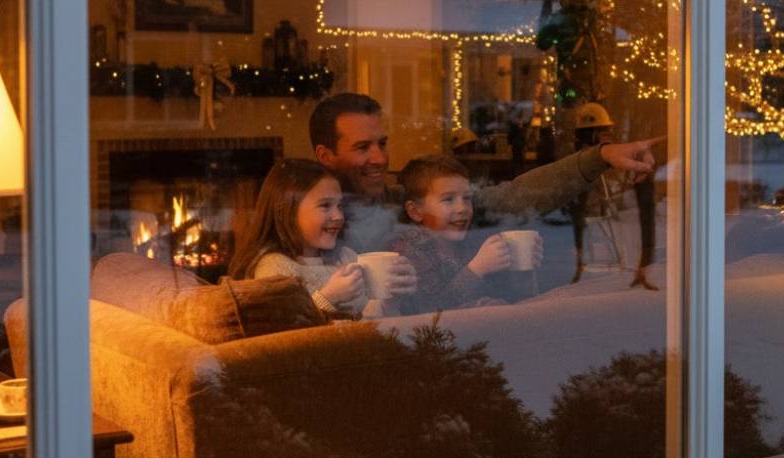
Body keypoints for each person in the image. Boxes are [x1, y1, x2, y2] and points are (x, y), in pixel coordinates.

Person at [309, 93, 660, 255]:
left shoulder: (406, 204)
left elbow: (511, 198)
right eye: (362, 147)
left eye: (382, 144)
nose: (379, 158)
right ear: (325, 155)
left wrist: (600, 156)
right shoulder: (304, 219)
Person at [229, 158, 417, 318]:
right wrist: (328, 298)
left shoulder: (346, 257)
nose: (338, 216)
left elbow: (369, 325)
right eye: (325, 206)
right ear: (287, 211)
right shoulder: (273, 268)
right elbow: (283, 334)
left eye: (340, 206)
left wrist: (390, 299)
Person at [385, 155, 543, 314]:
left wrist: (525, 270)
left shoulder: (473, 243)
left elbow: (516, 304)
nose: (463, 208)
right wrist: (476, 269)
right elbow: (431, 313)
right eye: (448, 199)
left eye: (467, 198)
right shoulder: (408, 251)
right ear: (416, 211)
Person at [573, 102, 658, 290]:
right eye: (601, 132)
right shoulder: (581, 169)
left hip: (618, 261)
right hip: (601, 263)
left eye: (607, 131)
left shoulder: (618, 166)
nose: (607, 136)